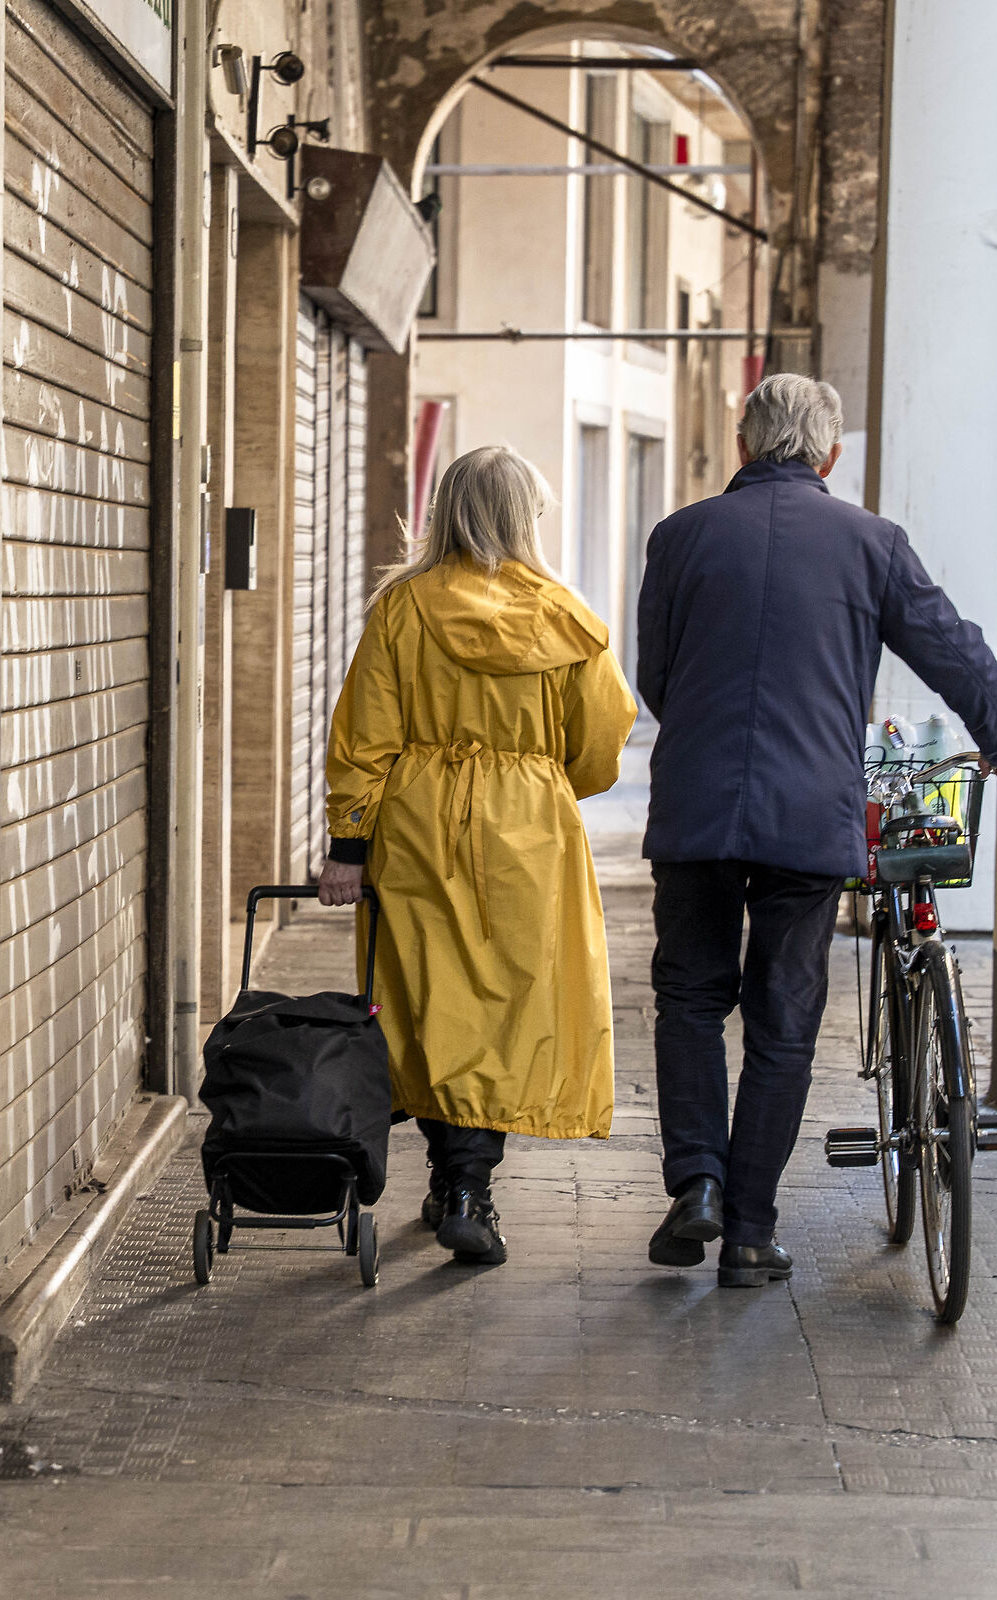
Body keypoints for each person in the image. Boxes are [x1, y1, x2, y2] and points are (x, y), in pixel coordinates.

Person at [632, 374, 997, 1287]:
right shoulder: (873, 544)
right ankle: (747, 1229)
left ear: (742, 445)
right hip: (809, 812)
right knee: (783, 1020)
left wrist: (708, 735)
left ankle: (694, 1181)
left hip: (698, 807)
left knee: (692, 998)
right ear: (830, 455)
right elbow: (953, 648)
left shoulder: (680, 537)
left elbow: (654, 677)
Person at [317, 445, 636, 1264]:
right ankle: (468, 1185)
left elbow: (364, 739)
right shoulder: (565, 615)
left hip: (419, 825)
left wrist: (349, 843)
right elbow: (602, 742)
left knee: (430, 1004)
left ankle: (453, 1176)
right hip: (530, 832)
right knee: (504, 1010)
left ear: (444, 510)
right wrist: (540, 782)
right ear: (524, 517)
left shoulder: (402, 609)